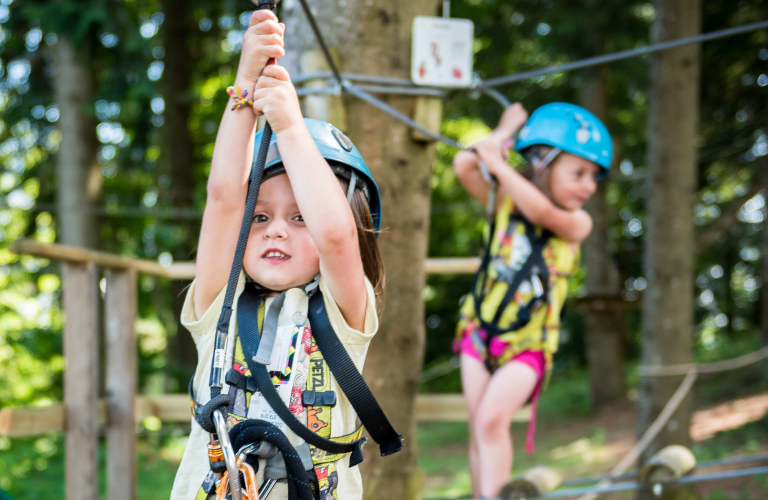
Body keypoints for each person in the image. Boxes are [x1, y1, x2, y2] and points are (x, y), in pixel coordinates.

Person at [170, 9, 385, 500]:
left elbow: (336, 236)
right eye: (261, 217)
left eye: (300, 216)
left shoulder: (344, 312)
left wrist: (290, 127)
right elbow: (226, 197)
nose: (275, 234)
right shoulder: (219, 306)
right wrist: (245, 85)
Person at [452, 102, 612, 499]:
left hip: (530, 347)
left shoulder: (578, 223)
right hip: (479, 332)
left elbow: (541, 211)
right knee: (479, 427)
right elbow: (464, 166)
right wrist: (503, 133)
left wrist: (500, 164)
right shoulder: (502, 199)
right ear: (541, 163)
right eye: (578, 173)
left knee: (491, 422)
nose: (588, 186)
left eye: (594, 176)